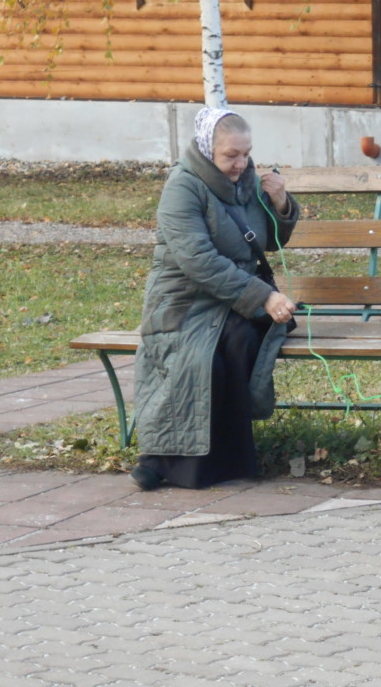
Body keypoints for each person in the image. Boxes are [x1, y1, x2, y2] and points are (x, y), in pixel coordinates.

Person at [130, 107, 300, 490]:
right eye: (231, 156)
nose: (241, 163)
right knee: (199, 358)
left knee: (242, 341)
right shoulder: (182, 187)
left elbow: (269, 241)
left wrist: (282, 204)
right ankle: (164, 460)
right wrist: (264, 296)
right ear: (208, 149)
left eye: (246, 153)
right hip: (184, 300)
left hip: (233, 297)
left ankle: (230, 460)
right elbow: (198, 260)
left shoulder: (249, 181)